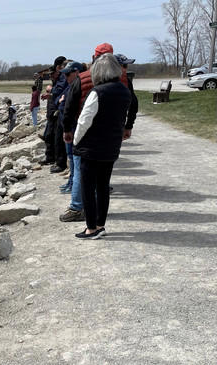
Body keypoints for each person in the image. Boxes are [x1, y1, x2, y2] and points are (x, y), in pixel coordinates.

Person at [59, 43, 136, 222]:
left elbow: (71, 106)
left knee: (81, 172)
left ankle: (78, 209)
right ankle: (98, 216)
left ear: (94, 58)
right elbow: (133, 104)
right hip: (111, 136)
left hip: (86, 136)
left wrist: (68, 131)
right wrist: (128, 126)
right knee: (102, 181)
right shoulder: (123, 80)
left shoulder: (84, 78)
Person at [72, 53, 131, 239]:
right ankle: (100, 224)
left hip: (92, 147)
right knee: (103, 186)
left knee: (88, 187)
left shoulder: (98, 92)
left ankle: (91, 227)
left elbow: (84, 120)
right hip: (111, 145)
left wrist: (76, 141)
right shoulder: (124, 91)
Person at [56, 61, 84, 193]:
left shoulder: (77, 86)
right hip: (68, 128)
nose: (65, 77)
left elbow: (66, 105)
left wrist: (62, 101)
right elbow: (58, 102)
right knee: (71, 157)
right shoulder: (70, 86)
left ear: (77, 72)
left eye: (68, 74)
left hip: (73, 129)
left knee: (74, 159)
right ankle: (71, 182)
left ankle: (73, 185)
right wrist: (60, 101)